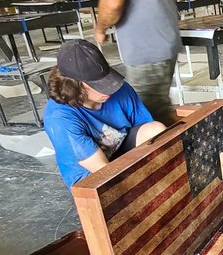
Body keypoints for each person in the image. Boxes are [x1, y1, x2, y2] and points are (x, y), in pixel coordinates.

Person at [42, 40, 166, 189]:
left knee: (156, 130)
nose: (108, 90)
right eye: (98, 86)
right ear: (74, 86)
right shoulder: (59, 118)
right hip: (91, 173)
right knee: (118, 190)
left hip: (120, 149)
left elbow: (149, 135)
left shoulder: (120, 90)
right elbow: (103, 170)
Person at [94, 0, 182, 126]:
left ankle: (194, 143)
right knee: (159, 109)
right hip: (167, 39)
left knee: (146, 118)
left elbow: (113, 4)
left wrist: (100, 28)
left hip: (144, 45)